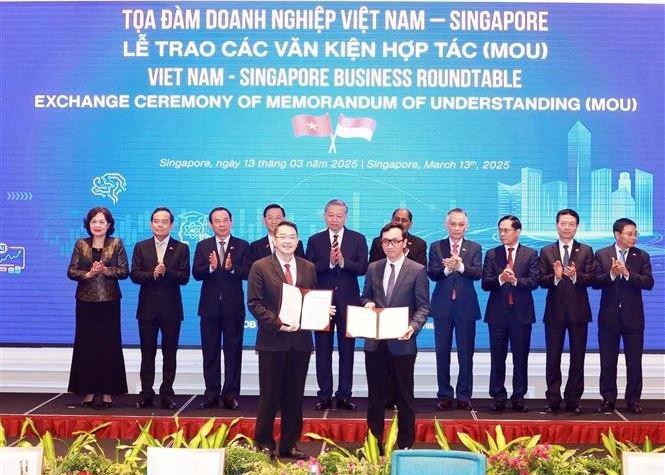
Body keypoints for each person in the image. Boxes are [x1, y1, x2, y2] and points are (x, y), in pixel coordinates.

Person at [247, 221, 332, 460]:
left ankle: (289, 444)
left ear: (297, 240)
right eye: (282, 236)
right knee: (270, 395)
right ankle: (263, 442)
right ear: (274, 239)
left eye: (292, 237)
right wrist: (277, 323)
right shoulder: (260, 266)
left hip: (301, 342)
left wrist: (323, 311)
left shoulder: (308, 267)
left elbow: (311, 300)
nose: (287, 241)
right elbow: (254, 302)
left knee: (294, 397)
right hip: (272, 340)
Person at [361, 223, 429, 450]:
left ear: (404, 243)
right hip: (376, 342)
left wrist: (413, 326)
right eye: (385, 241)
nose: (389, 246)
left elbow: (423, 306)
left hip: (402, 342)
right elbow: (365, 297)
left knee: (405, 399)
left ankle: (405, 446)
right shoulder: (373, 268)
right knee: (375, 399)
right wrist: (367, 303)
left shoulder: (417, 270)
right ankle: (373, 446)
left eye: (394, 241)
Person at [306, 199, 368, 410]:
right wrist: (330, 263)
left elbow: (363, 267)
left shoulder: (357, 239)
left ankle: (344, 395)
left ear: (346, 217)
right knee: (322, 350)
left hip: (349, 302)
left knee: (347, 350)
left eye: (339, 215)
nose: (334, 219)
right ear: (325, 215)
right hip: (321, 302)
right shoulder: (315, 240)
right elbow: (309, 268)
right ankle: (324, 395)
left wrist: (343, 262)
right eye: (330, 215)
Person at [67, 206, 129, 408]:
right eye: (94, 221)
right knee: (87, 347)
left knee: (108, 346)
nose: (97, 225)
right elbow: (71, 271)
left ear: (109, 225)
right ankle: (89, 390)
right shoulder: (81, 244)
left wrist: (105, 270)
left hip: (109, 302)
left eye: (102, 221)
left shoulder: (116, 243)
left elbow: (124, 271)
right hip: (85, 302)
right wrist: (89, 274)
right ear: (89, 224)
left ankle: (109, 391)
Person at [130, 207, 190, 410]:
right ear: (151, 224)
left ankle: (167, 394)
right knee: (147, 353)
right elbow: (135, 275)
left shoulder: (181, 247)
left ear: (172, 224)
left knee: (169, 353)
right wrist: (153, 274)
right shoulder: (141, 246)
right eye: (156, 221)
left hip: (171, 309)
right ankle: (146, 393)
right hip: (147, 308)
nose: (160, 225)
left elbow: (184, 277)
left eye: (165, 221)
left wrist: (167, 271)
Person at [594, 218, 654, 414]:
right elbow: (595, 282)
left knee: (634, 361)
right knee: (608, 360)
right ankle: (608, 399)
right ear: (617, 234)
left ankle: (633, 400)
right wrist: (611, 274)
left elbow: (648, 282)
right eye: (629, 234)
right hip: (609, 317)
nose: (634, 237)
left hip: (633, 318)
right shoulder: (602, 254)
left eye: (635, 234)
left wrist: (628, 274)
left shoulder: (641, 255)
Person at [192, 207, 250, 410]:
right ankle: (211, 394)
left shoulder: (242, 245)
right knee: (210, 352)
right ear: (211, 224)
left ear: (231, 222)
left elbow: (248, 272)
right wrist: (211, 268)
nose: (222, 224)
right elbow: (196, 273)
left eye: (225, 220)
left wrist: (231, 268)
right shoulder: (203, 245)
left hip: (233, 308)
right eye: (217, 221)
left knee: (233, 352)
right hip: (209, 308)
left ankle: (231, 394)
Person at [539, 209, 595, 414]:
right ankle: (553, 398)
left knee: (577, 357)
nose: (567, 227)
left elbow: (592, 279)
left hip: (578, 312)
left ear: (577, 227)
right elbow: (540, 281)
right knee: (552, 357)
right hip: (554, 312)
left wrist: (574, 276)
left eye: (571, 224)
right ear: (557, 225)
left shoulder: (586, 250)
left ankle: (573, 399)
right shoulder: (546, 251)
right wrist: (555, 277)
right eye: (563, 223)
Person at [482, 215, 540, 412]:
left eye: (506, 230)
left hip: (521, 315)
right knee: (497, 357)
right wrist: (500, 278)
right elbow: (485, 284)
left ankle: (519, 397)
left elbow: (534, 282)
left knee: (520, 358)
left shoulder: (531, 254)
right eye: (500, 230)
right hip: (497, 314)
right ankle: (498, 396)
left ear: (518, 232)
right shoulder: (492, 254)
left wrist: (515, 280)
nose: (502, 234)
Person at [428, 208, 482, 411]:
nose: (457, 228)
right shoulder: (436, 246)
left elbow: (478, 273)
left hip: (466, 308)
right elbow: (432, 273)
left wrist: (460, 267)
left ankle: (464, 395)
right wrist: (446, 269)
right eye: (453, 223)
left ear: (466, 226)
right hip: (442, 308)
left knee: (466, 354)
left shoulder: (474, 247)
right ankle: (444, 394)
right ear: (446, 225)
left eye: (461, 224)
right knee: (442, 352)